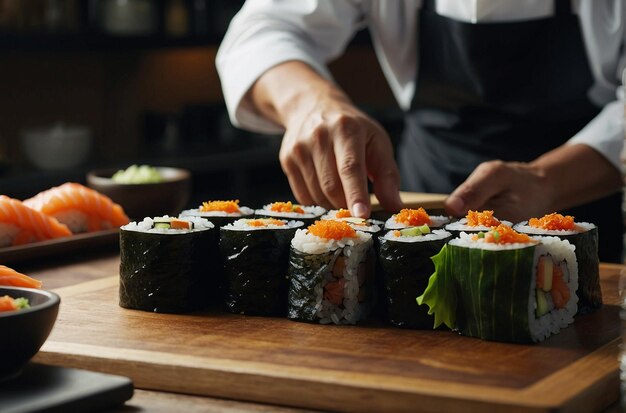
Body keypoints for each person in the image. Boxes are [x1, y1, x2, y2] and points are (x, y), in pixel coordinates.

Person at [216, 0, 625, 262]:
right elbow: (263, 29)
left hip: (581, 207)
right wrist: (311, 104)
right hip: (420, 209)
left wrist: (546, 180)